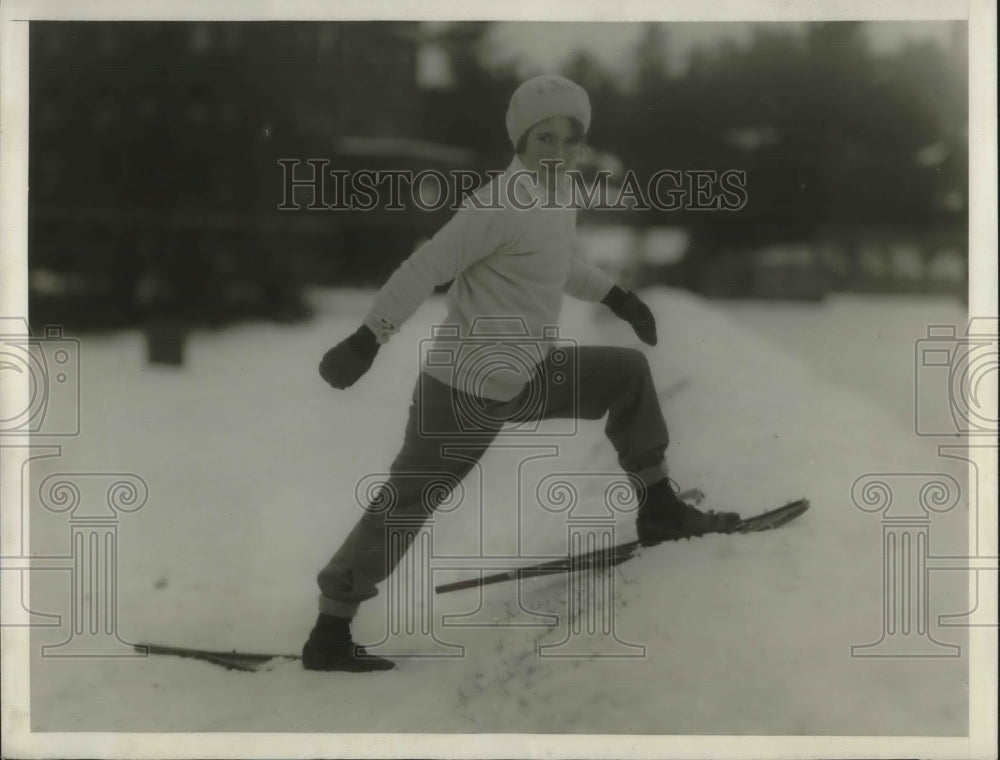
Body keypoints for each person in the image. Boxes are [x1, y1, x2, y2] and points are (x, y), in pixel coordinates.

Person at [303, 74, 739, 673]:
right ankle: (330, 628)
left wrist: (616, 296)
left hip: (528, 373)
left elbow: (554, 264)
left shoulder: (556, 197)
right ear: (521, 139)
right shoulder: (498, 203)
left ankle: (659, 505)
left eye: (570, 137)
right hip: (463, 390)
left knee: (625, 373)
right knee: (407, 502)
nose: (557, 150)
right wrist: (367, 337)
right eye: (544, 137)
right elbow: (426, 265)